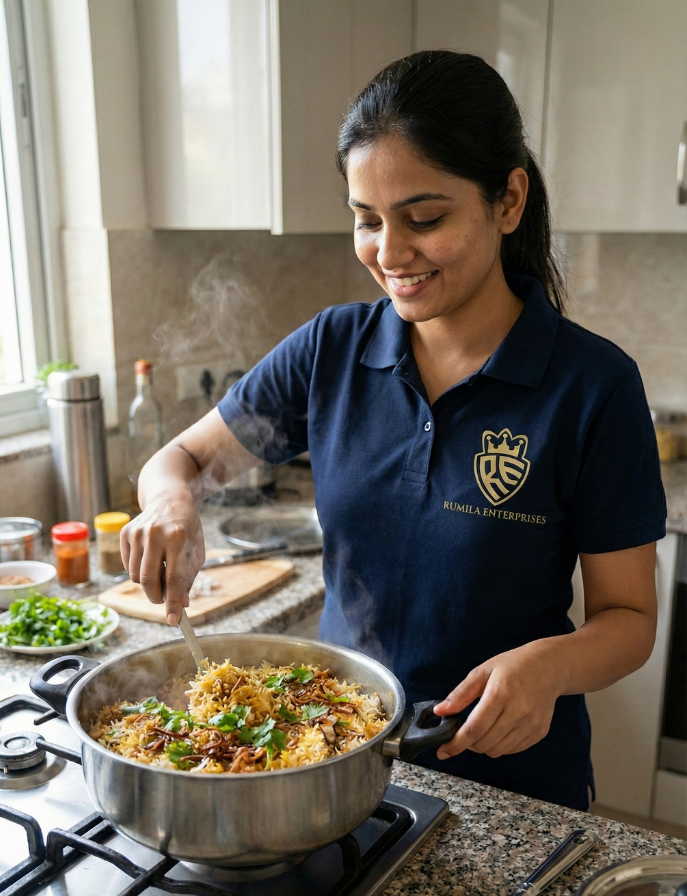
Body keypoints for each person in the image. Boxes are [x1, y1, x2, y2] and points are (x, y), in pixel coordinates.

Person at [121, 52, 666, 811]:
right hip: (335, 762)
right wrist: (172, 505)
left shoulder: (592, 386)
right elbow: (178, 459)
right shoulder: (331, 350)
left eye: (425, 218)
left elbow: (630, 620)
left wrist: (549, 666)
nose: (388, 252)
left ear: (508, 199)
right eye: (366, 220)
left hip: (512, 789)